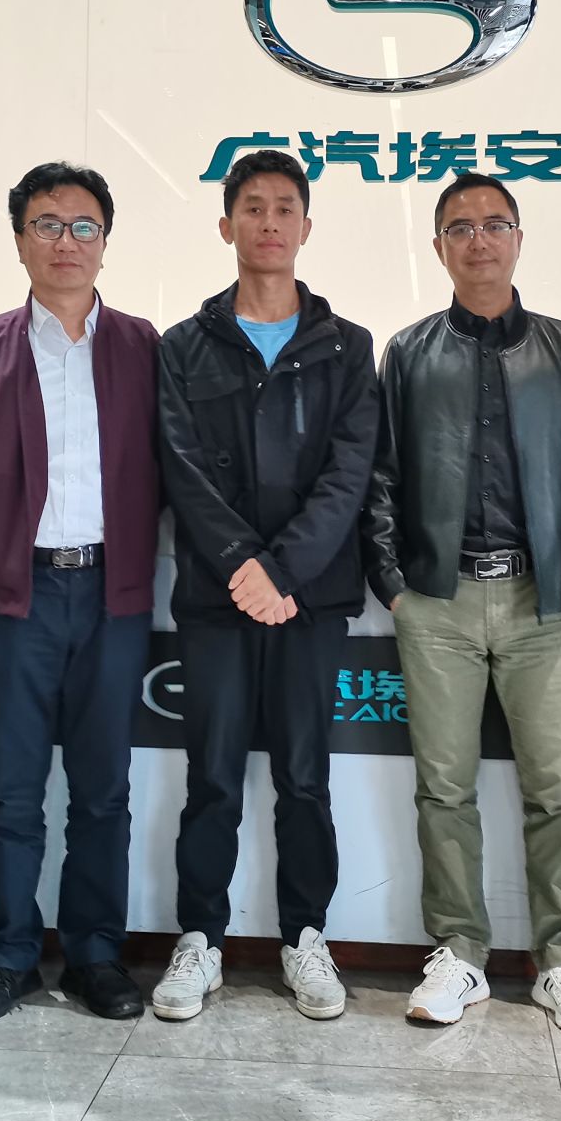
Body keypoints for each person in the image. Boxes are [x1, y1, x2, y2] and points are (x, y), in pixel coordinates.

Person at [363, 171, 561, 1035]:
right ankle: (460, 953)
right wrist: (393, 585)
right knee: (444, 789)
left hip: (543, 603)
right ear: (438, 246)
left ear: (518, 238)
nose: (479, 239)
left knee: (555, 790)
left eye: (494, 224)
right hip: (438, 600)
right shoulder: (408, 352)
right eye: (461, 227)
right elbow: (383, 477)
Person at [0, 163, 161, 1027]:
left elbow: (167, 466)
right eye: (48, 225)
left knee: (103, 792)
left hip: (112, 595)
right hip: (12, 598)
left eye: (84, 226)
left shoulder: (142, 346)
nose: (67, 242)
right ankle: (9, 957)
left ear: (106, 240)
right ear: (20, 239)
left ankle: (96, 956)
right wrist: (2, 538)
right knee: (12, 791)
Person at [150, 148, 379, 1023]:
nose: (270, 222)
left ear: (306, 228)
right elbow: (181, 470)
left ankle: (305, 937)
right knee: (211, 777)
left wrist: (281, 571)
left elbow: (349, 474)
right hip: (218, 600)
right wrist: (244, 567)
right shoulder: (184, 346)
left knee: (305, 779)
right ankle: (200, 939)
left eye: (286, 208)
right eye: (253, 207)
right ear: (227, 226)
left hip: (309, 601)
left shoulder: (347, 346)